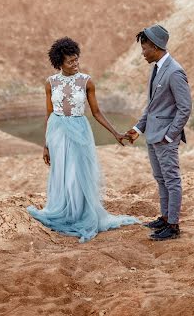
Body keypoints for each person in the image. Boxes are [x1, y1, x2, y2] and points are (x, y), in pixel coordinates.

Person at [27, 36, 139, 242]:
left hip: (80, 130)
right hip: (57, 131)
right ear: (59, 63)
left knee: (78, 172)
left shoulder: (86, 81)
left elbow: (96, 112)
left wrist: (115, 133)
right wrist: (46, 145)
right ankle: (65, 212)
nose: (75, 64)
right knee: (61, 172)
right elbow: (49, 113)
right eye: (70, 62)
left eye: (76, 59)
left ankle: (80, 214)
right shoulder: (50, 83)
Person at [126, 24, 191, 241]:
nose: (142, 53)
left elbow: (185, 108)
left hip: (165, 138)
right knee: (161, 179)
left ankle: (173, 226)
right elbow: (153, 107)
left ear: (155, 46)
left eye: (144, 48)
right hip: (152, 136)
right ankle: (164, 218)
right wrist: (138, 128)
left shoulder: (175, 72)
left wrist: (170, 135)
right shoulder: (157, 69)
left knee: (171, 180)